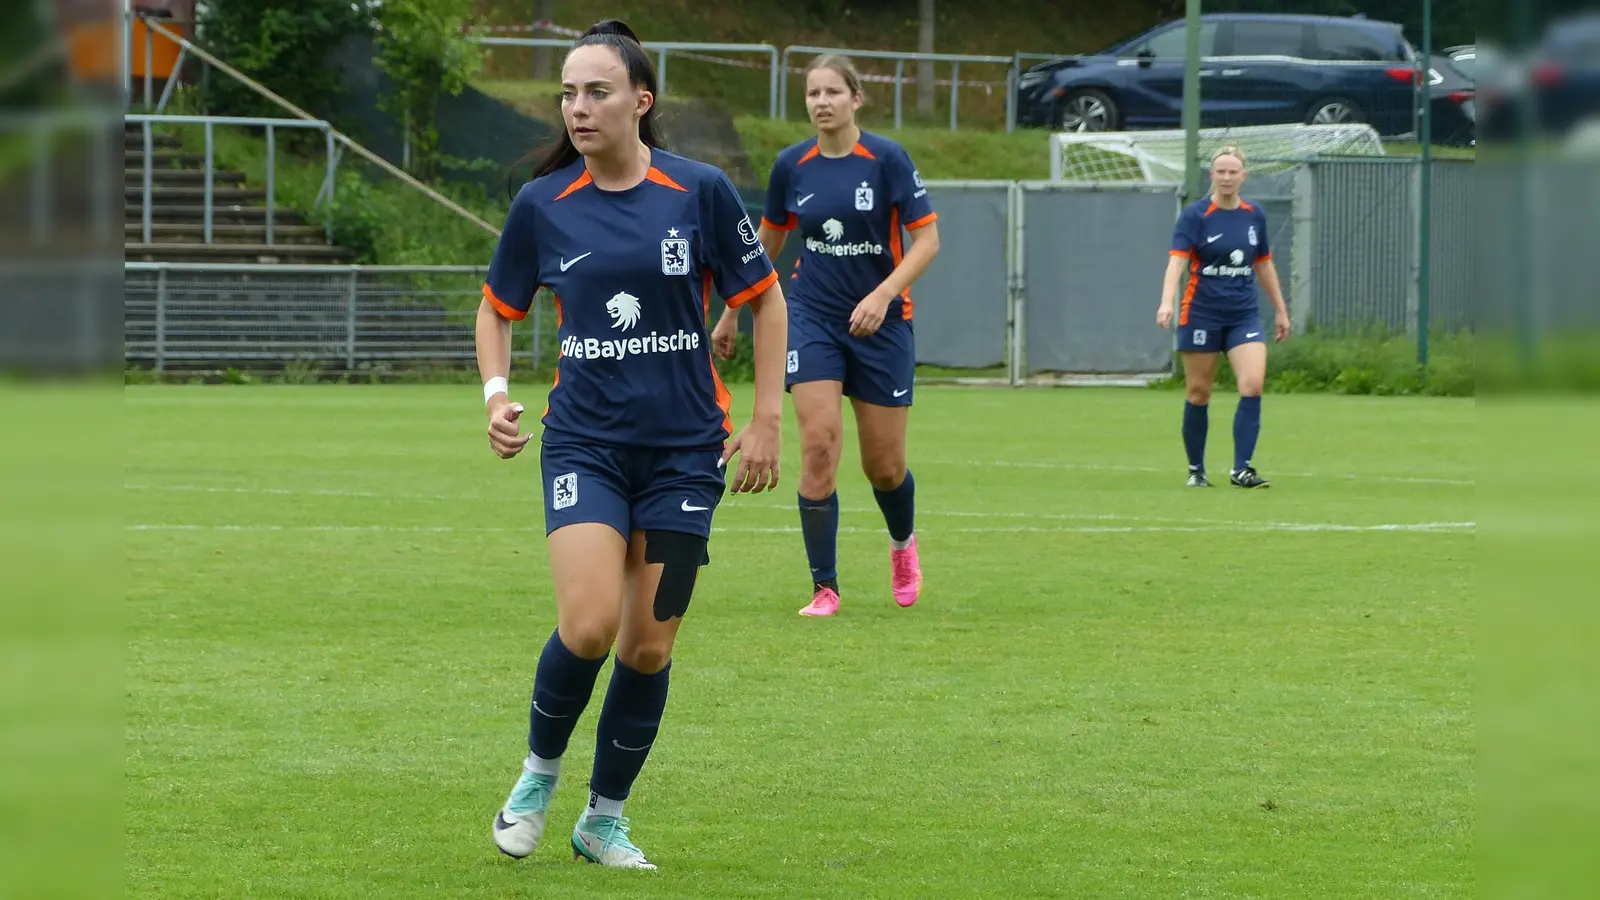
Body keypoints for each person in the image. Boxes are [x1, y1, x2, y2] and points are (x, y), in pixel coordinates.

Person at [475, 19, 787, 871]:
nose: (578, 107)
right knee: (587, 624)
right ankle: (537, 778)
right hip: (584, 447)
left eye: (597, 91)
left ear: (640, 102)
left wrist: (766, 420)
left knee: (648, 646)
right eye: (569, 93)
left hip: (690, 456)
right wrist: (497, 396)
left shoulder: (701, 192)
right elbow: (496, 311)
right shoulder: (543, 205)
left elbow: (765, 298)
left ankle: (602, 819)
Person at [712, 54, 940, 618]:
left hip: (882, 324)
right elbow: (761, 247)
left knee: (884, 467)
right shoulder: (793, 165)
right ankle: (825, 587)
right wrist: (731, 311)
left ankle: (902, 546)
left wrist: (884, 293)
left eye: (832, 92)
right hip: (811, 315)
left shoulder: (886, 160)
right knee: (818, 445)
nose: (821, 102)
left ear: (856, 99)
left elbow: (928, 242)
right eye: (812, 93)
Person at [1157, 144, 1290, 489]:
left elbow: (1263, 263)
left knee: (1252, 385)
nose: (1227, 177)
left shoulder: (1253, 215)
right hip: (1201, 313)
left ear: (1243, 176)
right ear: (1212, 175)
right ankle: (1196, 469)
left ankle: (1241, 469)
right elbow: (1177, 260)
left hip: (1243, 314)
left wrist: (1280, 309)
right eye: (1221, 171)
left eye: (1233, 172)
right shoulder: (1195, 215)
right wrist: (1166, 302)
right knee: (1199, 393)